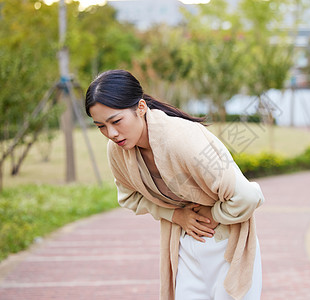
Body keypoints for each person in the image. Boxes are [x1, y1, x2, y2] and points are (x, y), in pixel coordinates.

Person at [85, 70, 264, 300]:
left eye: (116, 121)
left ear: (140, 107)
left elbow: (248, 196)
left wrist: (212, 213)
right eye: (100, 126)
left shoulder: (181, 140)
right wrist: (176, 216)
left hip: (227, 245)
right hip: (183, 246)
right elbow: (129, 197)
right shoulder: (118, 151)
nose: (111, 133)